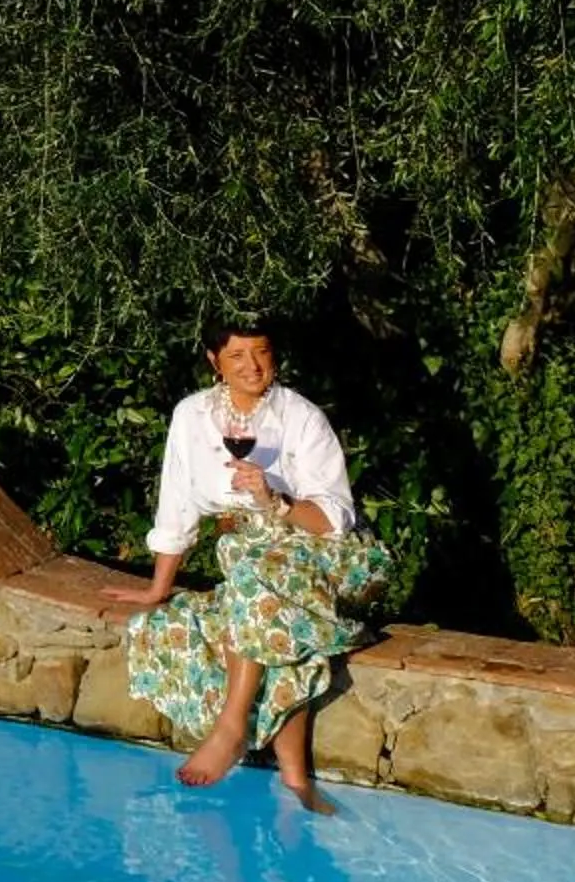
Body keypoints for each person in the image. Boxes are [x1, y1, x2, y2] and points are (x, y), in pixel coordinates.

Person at [101, 320, 388, 811]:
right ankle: (296, 777)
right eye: (237, 356)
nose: (252, 367)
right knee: (254, 608)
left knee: (250, 574)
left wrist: (274, 500)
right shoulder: (192, 416)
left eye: (261, 353)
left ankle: (232, 727)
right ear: (214, 361)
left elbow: (333, 521)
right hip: (255, 565)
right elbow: (177, 506)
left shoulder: (301, 417)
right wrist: (156, 589)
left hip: (330, 555)